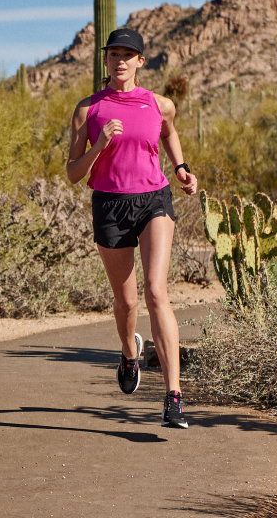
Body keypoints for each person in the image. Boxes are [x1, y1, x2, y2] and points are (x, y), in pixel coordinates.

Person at [65, 28, 198, 429]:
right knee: (126, 304)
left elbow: (170, 134)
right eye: (113, 54)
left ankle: (173, 397)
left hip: (154, 200)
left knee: (157, 291)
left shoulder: (159, 104)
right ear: (105, 61)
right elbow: (72, 173)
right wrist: (99, 145)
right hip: (109, 204)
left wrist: (180, 168)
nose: (120, 61)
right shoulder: (88, 109)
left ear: (141, 61)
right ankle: (128, 352)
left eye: (128, 55)